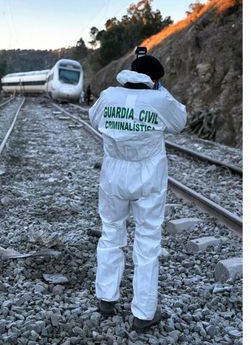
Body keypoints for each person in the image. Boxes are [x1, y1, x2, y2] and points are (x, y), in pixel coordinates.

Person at [89, 51, 187, 330]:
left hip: (113, 176)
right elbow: (180, 122)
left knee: (111, 233)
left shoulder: (108, 95)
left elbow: (94, 119)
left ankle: (106, 298)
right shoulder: (160, 99)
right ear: (154, 80)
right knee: (147, 242)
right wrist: (160, 90)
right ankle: (143, 313)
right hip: (148, 178)